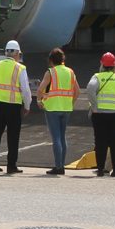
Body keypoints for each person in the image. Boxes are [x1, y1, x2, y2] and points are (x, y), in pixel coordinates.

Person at [0, 39, 31, 174]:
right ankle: (11, 165)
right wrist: (27, 105)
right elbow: (25, 89)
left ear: (6, 52)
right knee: (13, 136)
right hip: (14, 107)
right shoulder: (20, 68)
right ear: (17, 53)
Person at [82, 51, 115, 177]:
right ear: (114, 65)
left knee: (100, 142)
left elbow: (90, 89)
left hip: (100, 114)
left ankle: (101, 170)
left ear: (101, 64)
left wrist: (95, 106)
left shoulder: (97, 77)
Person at [36, 48, 79, 176]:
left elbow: (40, 90)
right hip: (66, 108)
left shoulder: (50, 72)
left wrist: (40, 101)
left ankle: (58, 166)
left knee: (56, 138)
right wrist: (70, 103)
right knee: (62, 136)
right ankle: (62, 165)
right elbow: (77, 92)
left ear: (50, 60)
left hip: (53, 108)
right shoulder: (70, 72)